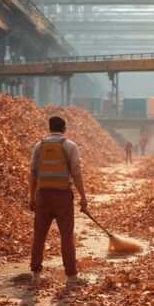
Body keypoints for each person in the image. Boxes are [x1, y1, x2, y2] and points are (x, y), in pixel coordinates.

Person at [30, 116, 88, 285]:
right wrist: (83, 197)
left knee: (39, 235)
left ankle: (35, 274)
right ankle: (71, 276)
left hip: (43, 195)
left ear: (49, 128)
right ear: (64, 129)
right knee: (66, 236)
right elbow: (76, 172)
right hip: (62, 196)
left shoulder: (38, 146)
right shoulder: (69, 146)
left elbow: (33, 172)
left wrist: (31, 195)